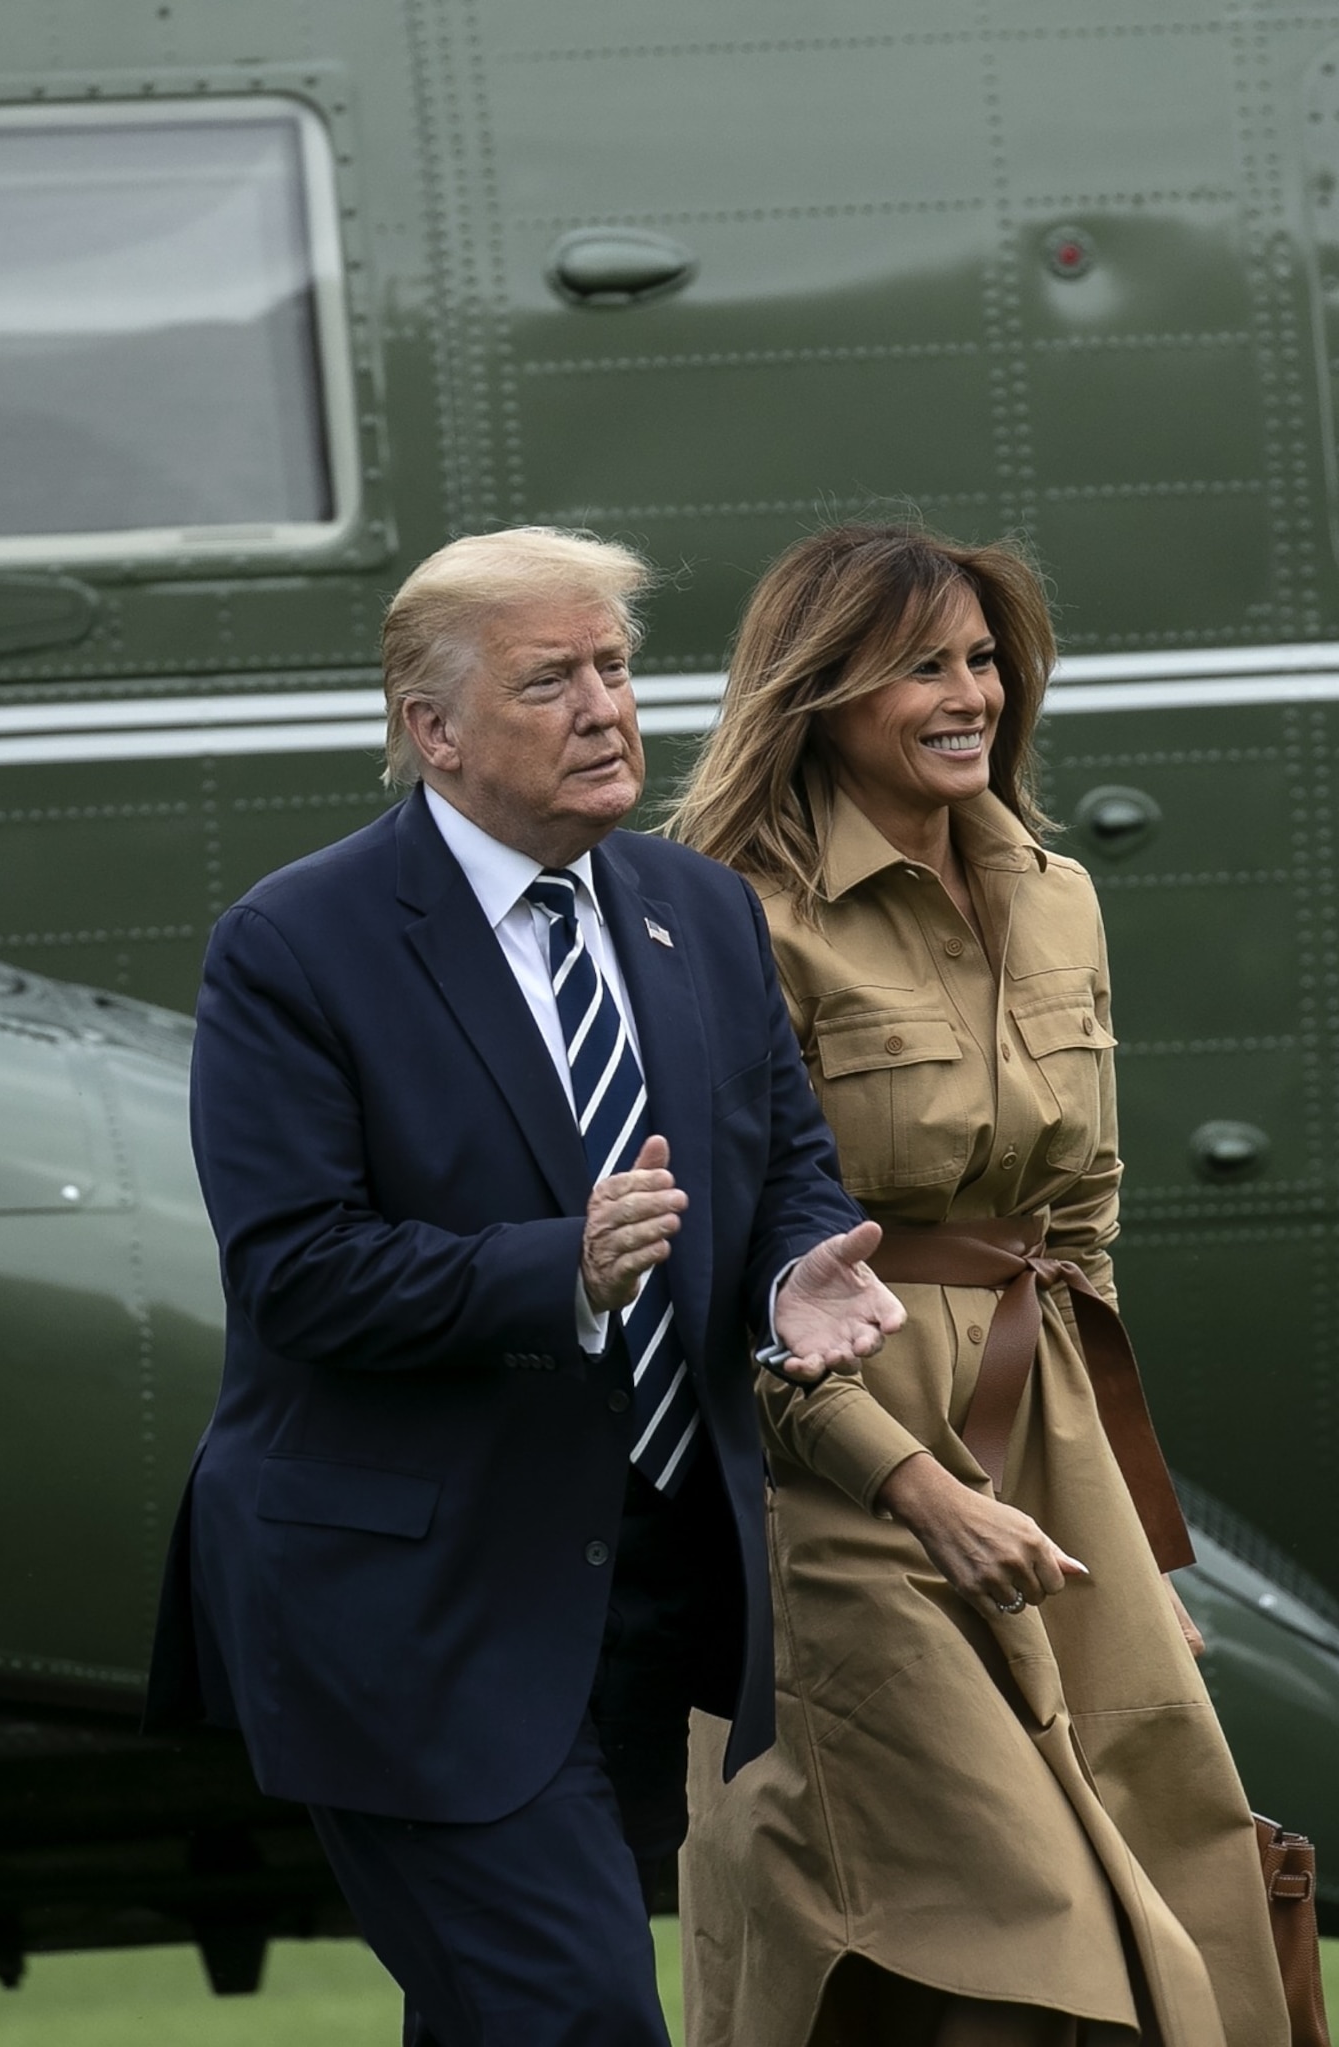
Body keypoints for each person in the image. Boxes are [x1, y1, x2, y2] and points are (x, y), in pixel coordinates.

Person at [146, 527, 906, 2047]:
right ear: (433, 730)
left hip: (640, 1593)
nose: (606, 709)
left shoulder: (700, 914)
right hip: (410, 1611)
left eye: (616, 669)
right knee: (572, 2017)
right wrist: (558, 1265)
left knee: (509, 2015)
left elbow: (784, 1173)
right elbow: (297, 1274)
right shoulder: (298, 944)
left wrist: (788, 1289)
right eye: (549, 680)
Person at [662, 524, 1287, 2047]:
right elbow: (717, 1282)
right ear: (819, 695)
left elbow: (1079, 1233)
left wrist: (1129, 1530)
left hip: (1049, 1435)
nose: (970, 696)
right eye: (918, 666)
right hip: (833, 1467)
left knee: (1159, 1876)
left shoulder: (1059, 893)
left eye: (984, 659)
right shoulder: (726, 915)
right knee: (996, 1927)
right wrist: (908, 1484)